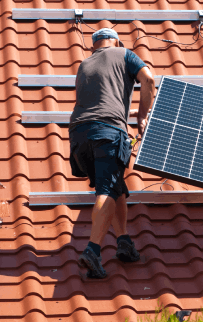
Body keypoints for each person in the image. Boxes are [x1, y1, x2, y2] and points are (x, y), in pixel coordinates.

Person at [69, 28, 155, 278]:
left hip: (78, 135)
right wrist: (141, 116)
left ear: (94, 46)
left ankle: (124, 242)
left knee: (115, 185)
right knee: (106, 189)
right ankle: (93, 251)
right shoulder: (125, 54)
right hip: (107, 131)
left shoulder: (84, 64)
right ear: (116, 41)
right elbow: (148, 80)